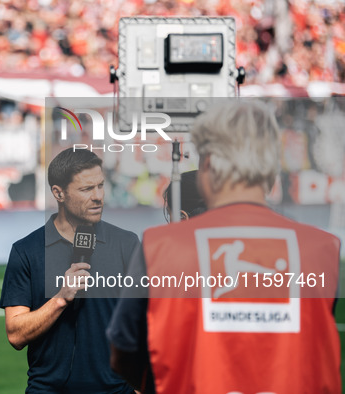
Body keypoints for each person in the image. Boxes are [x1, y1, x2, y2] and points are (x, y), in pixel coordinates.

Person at [107, 100, 341, 393]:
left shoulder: (159, 248)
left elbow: (124, 353)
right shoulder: (322, 249)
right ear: (271, 168)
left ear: (207, 165)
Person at [0, 149, 140, 393]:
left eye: (101, 186)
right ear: (58, 193)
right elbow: (16, 335)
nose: (98, 197)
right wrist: (60, 299)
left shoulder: (126, 244)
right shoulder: (26, 251)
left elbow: (146, 322)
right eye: (86, 189)